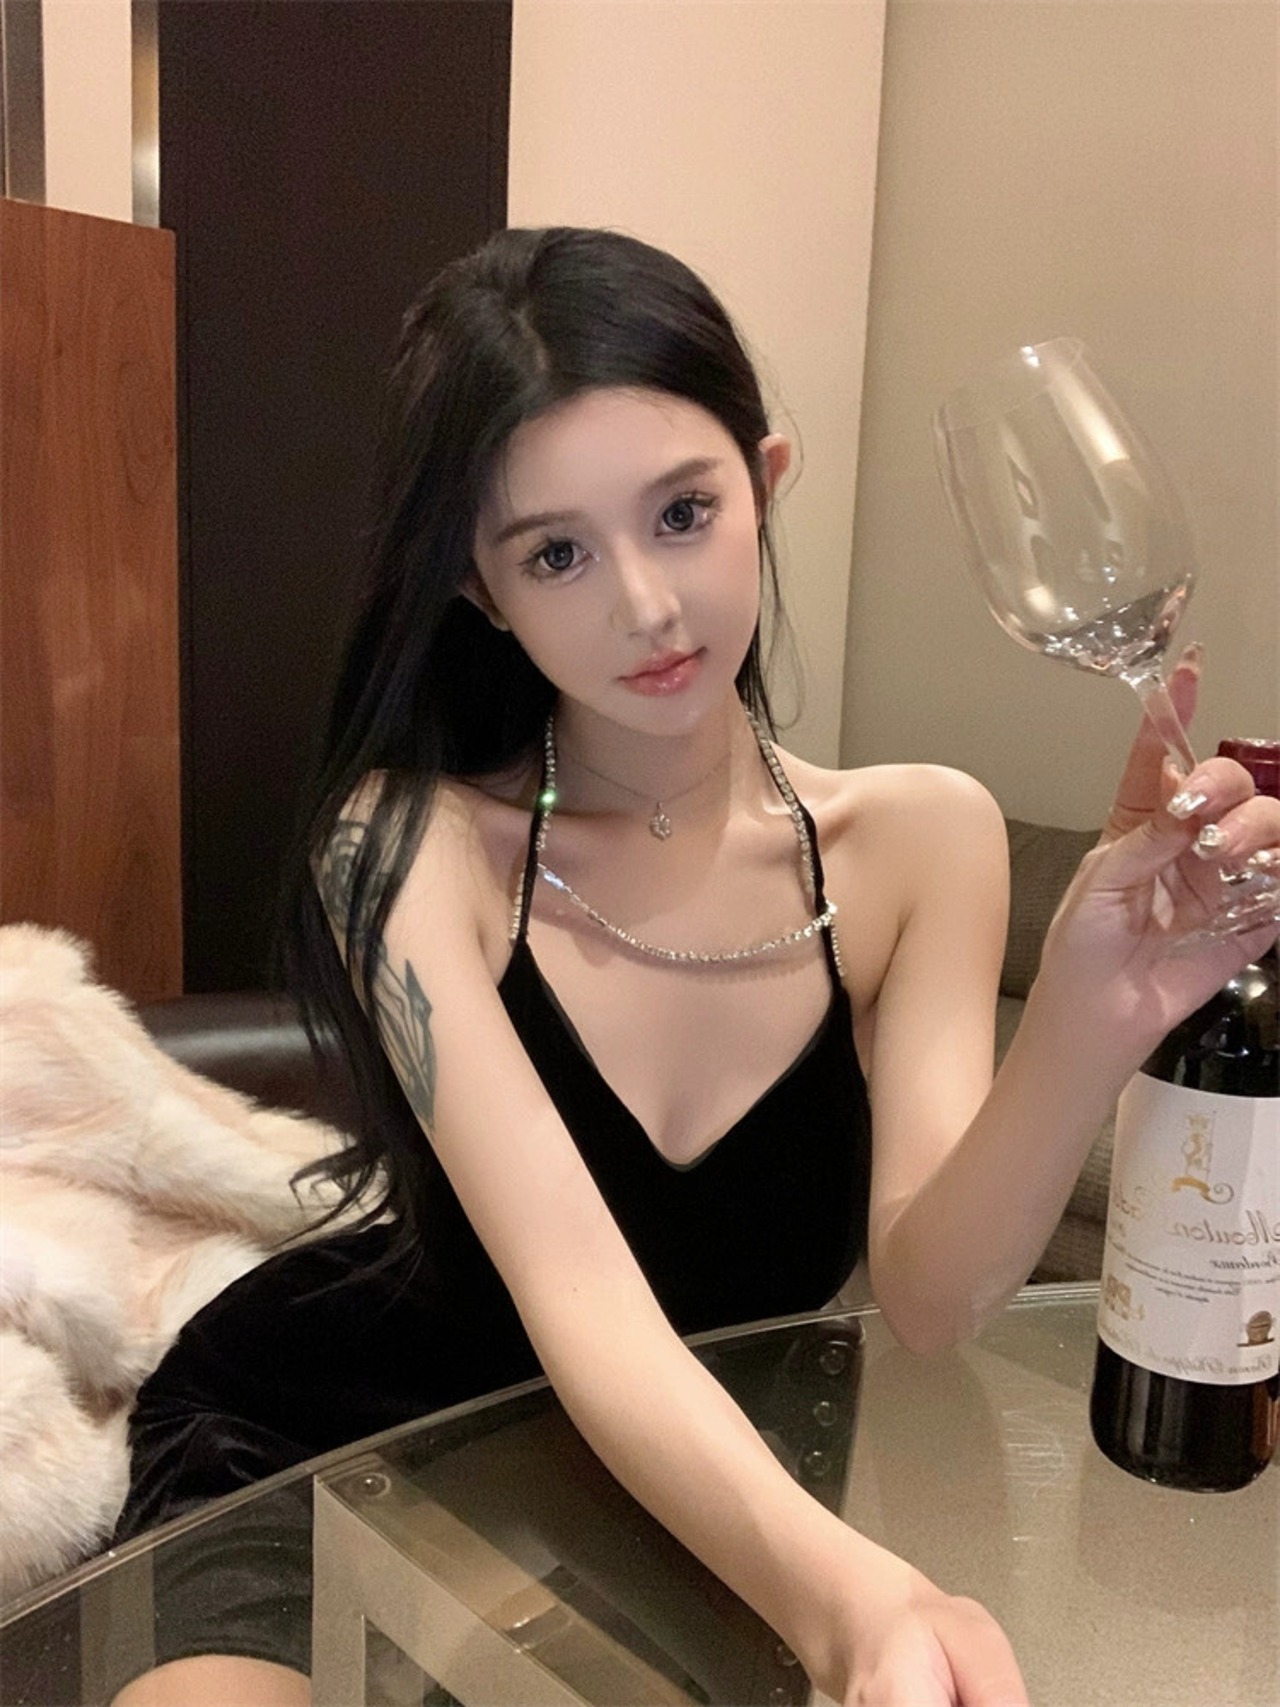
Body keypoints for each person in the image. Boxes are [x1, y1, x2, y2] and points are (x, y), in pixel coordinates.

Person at [112, 227, 1280, 1707]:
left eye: (681, 513)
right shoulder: (407, 849)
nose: (648, 606)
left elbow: (930, 1303)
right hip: (327, 1433)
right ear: (481, 590)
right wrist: (856, 1600)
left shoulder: (924, 840)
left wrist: (1088, 1019)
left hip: (688, 1509)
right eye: (556, 553)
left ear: (765, 482)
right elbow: (591, 1309)